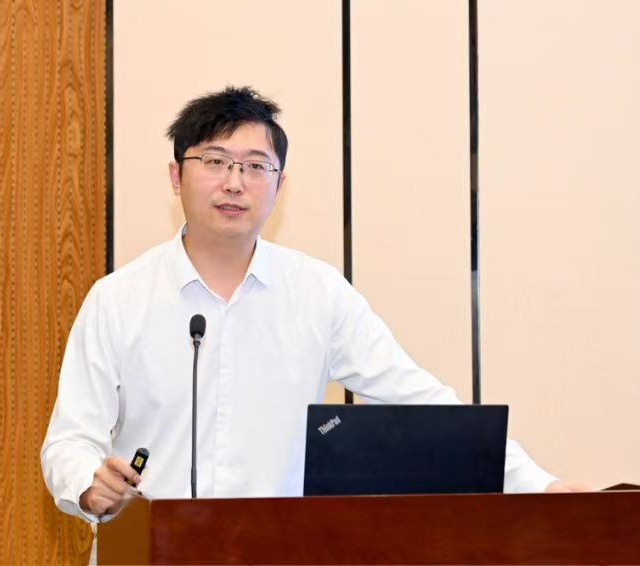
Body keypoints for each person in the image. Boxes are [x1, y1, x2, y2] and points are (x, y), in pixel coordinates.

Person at [41, 86, 590, 522]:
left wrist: (536, 484)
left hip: (279, 550)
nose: (234, 182)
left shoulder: (317, 293)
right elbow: (71, 439)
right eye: (215, 160)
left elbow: (423, 405)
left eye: (255, 166)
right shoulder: (118, 299)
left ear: (279, 186)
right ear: (175, 175)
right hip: (150, 551)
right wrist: (90, 485)